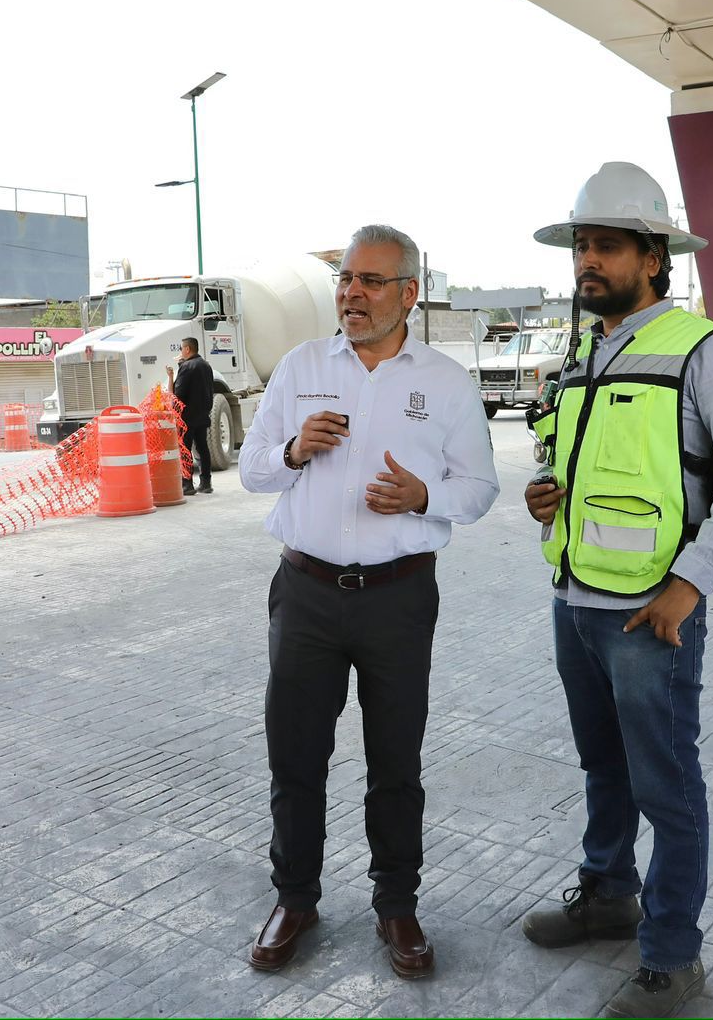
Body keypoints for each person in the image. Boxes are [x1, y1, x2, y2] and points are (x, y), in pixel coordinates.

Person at [522, 162, 713, 1018]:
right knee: (604, 767)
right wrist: (545, 495)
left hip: (650, 614)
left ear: (654, 257)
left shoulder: (702, 349)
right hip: (576, 602)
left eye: (604, 247)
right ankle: (607, 896)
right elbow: (585, 465)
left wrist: (689, 583)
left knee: (667, 785)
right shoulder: (586, 351)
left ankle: (670, 954)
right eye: (580, 247)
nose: (587, 261)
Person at [238, 224, 499, 979]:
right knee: (295, 756)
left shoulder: (445, 383)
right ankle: (296, 897)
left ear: (408, 294)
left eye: (370, 282)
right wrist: (293, 451)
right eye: (345, 280)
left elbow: (479, 490)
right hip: (307, 593)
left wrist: (425, 497)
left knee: (395, 760)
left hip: (398, 597)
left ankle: (396, 905)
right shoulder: (300, 367)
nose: (351, 293)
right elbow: (253, 470)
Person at [168, 337, 215, 495]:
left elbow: (178, 393)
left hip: (187, 417)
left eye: (182, 349)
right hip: (203, 414)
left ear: (187, 349)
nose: (181, 352)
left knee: (185, 450)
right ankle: (206, 483)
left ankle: (187, 484)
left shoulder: (187, 367)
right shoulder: (206, 365)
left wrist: (175, 372)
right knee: (203, 448)